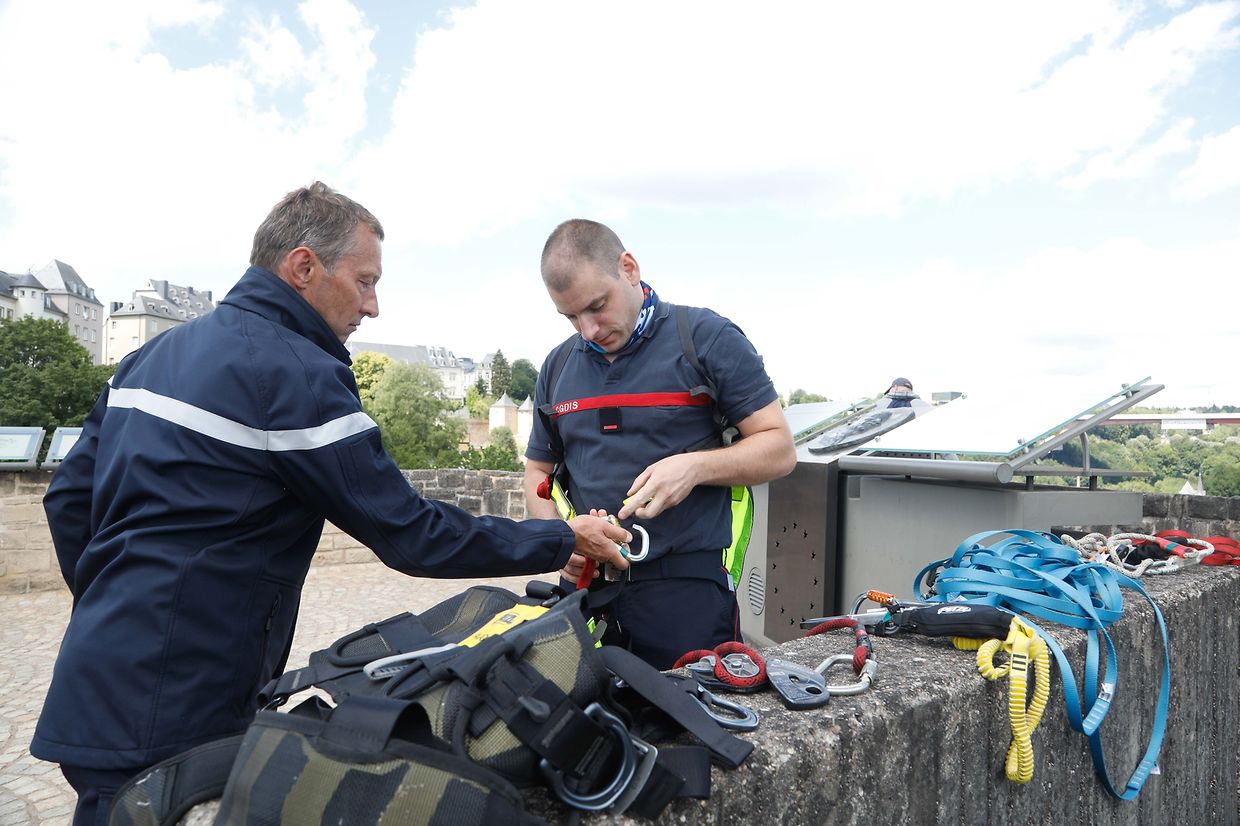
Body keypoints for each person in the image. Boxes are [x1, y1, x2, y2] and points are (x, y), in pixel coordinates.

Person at [32, 183, 630, 826]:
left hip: (98, 676)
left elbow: (68, 498)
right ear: (303, 266)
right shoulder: (293, 370)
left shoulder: (150, 356)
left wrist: (115, 604)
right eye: (366, 281)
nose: (373, 306)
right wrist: (561, 537)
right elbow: (410, 531)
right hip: (182, 698)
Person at [522, 219, 796, 670]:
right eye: (571, 317)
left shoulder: (706, 338)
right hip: (588, 593)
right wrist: (560, 540)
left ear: (628, 268)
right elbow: (537, 472)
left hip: (686, 593)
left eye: (597, 306)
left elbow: (779, 448)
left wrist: (693, 468)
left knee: (691, 731)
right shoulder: (557, 366)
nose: (588, 330)